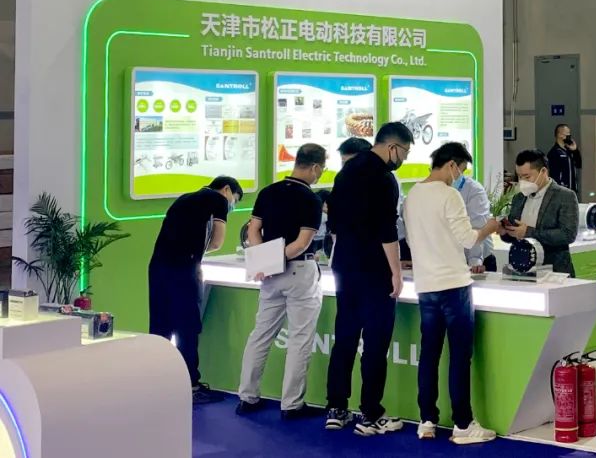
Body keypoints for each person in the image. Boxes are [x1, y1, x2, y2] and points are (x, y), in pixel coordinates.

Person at [403, 142, 502, 444]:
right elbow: (468, 239)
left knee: (429, 355)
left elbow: (412, 239)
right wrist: (490, 227)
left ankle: (427, 420)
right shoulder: (450, 195)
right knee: (460, 357)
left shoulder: (412, 195)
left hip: (426, 286)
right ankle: (462, 424)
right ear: (451, 165)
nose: (460, 176)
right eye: (461, 170)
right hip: (454, 285)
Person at [325, 122, 413, 435]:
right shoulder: (385, 179)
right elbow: (387, 230)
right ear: (393, 147)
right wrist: (396, 272)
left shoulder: (345, 172)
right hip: (375, 270)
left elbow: (333, 221)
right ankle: (371, 414)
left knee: (345, 339)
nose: (403, 158)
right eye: (405, 152)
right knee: (375, 344)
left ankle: (336, 408)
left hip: (344, 266)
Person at [236, 144, 326, 419]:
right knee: (300, 339)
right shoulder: (310, 199)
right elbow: (302, 243)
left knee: (260, 335)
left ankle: (247, 396)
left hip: (270, 276)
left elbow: (253, 230)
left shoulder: (268, 191)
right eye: (321, 169)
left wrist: (264, 261)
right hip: (300, 272)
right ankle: (291, 404)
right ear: (315, 167)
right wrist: (274, 259)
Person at [148, 175, 242, 404]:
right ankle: (190, 385)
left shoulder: (184, 198)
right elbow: (217, 241)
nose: (232, 205)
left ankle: (157, 381)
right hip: (184, 269)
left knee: (160, 325)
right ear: (227, 190)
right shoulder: (218, 200)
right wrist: (197, 252)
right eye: (235, 200)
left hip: (158, 267)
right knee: (187, 327)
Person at [503, 150, 579, 276]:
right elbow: (514, 233)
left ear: (543, 172)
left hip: (555, 271)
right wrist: (504, 231)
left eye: (527, 177)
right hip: (522, 269)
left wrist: (529, 232)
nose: (523, 181)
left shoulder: (565, 196)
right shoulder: (519, 197)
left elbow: (568, 234)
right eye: (519, 177)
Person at [548, 124, 583, 198]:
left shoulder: (569, 151)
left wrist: (575, 150)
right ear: (560, 135)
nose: (569, 136)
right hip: (561, 192)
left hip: (572, 190)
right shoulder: (554, 152)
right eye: (567, 133)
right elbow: (553, 174)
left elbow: (578, 164)